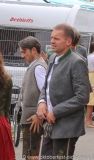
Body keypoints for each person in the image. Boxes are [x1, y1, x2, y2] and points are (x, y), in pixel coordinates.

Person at [37, 23, 90, 160]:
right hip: (50, 124)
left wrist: (56, 111)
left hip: (67, 126)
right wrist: (42, 102)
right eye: (52, 37)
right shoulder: (52, 58)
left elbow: (82, 97)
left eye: (56, 39)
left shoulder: (77, 62)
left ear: (68, 41)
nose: (52, 41)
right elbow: (46, 86)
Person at [18, 36, 47, 160]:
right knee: (29, 154)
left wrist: (38, 115)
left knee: (31, 155)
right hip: (30, 118)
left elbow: (46, 93)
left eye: (24, 52)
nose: (22, 56)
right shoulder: (35, 65)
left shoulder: (39, 67)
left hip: (33, 120)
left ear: (33, 50)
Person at [86, 42, 94, 128]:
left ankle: (89, 120)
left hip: (90, 76)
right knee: (91, 100)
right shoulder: (93, 57)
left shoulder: (89, 56)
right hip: (93, 77)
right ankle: (88, 120)